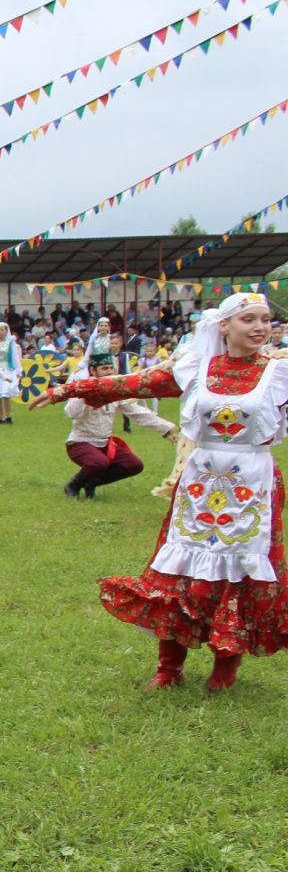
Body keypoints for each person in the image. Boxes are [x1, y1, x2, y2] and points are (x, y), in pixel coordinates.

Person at [34, 294, 283, 691]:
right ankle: (169, 668)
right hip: (199, 480)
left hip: (252, 481)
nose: (259, 327)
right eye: (248, 319)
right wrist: (70, 389)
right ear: (225, 326)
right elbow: (133, 383)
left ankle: (225, 667)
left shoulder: (279, 372)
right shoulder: (197, 368)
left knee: (239, 572)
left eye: (265, 319)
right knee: (176, 568)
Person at [56, 350, 177, 498]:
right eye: (104, 369)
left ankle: (91, 482)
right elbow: (70, 413)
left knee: (134, 465)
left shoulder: (116, 393)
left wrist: (166, 430)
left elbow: (136, 412)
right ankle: (73, 484)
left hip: (105, 444)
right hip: (80, 442)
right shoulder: (82, 388)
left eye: (110, 368)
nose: (108, 372)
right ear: (93, 371)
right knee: (99, 462)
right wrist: (84, 395)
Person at [0, 321, 23, 425]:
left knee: (6, 393)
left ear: (6, 331)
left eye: (2, 330)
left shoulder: (10, 342)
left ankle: (8, 416)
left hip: (7, 369)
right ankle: (1, 417)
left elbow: (15, 357)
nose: (0, 332)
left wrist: (19, 370)